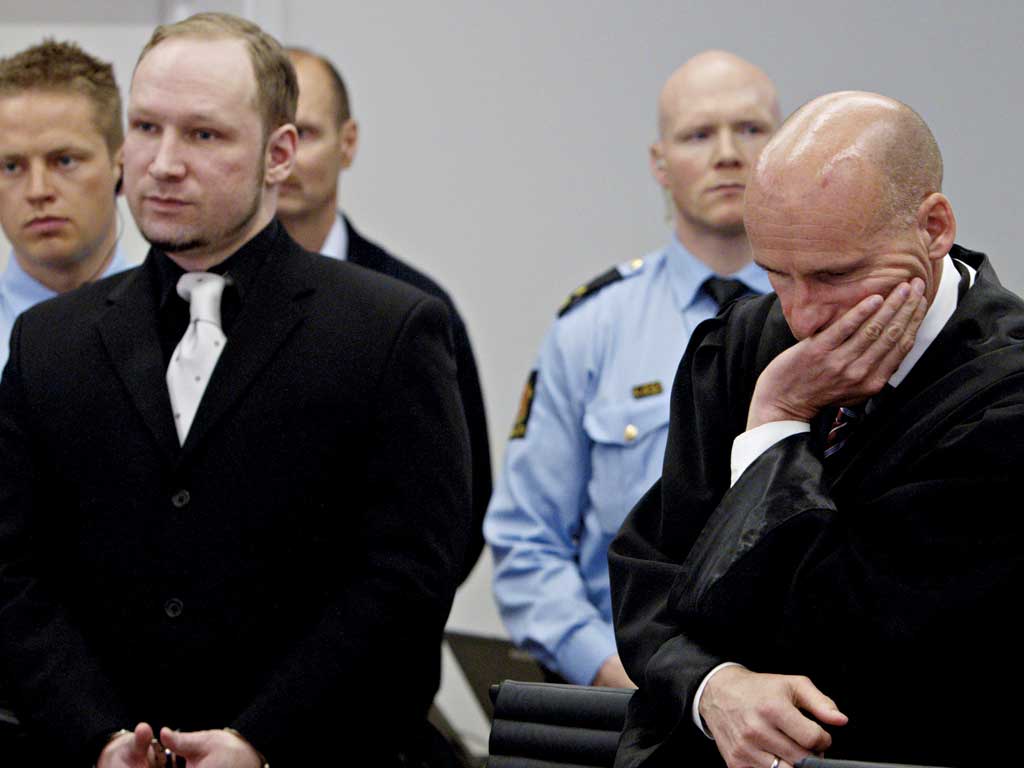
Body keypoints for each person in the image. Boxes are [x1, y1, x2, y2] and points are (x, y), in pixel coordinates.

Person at [0, 13, 471, 768]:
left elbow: (407, 576)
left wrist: (261, 738)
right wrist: (97, 735)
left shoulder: (387, 328)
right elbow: (14, 571)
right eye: (147, 128)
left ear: (279, 153)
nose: (162, 163)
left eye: (204, 136)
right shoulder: (51, 340)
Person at [609, 91, 1024, 768]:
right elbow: (649, 571)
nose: (803, 316)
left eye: (836, 275)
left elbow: (845, 639)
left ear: (934, 227)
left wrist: (776, 427)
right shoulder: (746, 342)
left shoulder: (1004, 400)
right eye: (776, 273)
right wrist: (714, 686)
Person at [484, 51, 778, 688]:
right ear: (659, 164)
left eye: (751, 130)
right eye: (698, 134)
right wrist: (612, 668)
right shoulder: (593, 329)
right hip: (630, 700)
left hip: (798, 700)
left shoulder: (832, 313)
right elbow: (526, 543)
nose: (728, 153)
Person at [277, 47, 490, 583]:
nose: (286, 156)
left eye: (306, 133)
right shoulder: (205, 298)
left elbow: (463, 503)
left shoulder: (413, 306)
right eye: (271, 135)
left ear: (347, 143)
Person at [0, 39, 131, 371]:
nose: (38, 190)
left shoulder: (187, 330)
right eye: (11, 166)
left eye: (65, 160)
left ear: (122, 164)